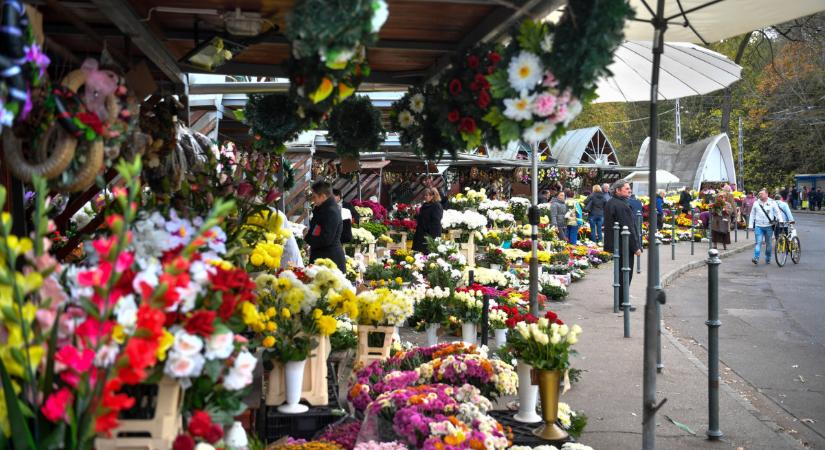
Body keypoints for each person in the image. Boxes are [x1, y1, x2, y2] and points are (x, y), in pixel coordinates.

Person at [604, 180, 641, 310]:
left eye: (629, 189)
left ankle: (620, 302)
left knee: (620, 274)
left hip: (616, 244)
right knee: (625, 273)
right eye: (626, 189)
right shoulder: (621, 205)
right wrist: (636, 247)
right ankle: (622, 303)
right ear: (618, 190)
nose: (629, 191)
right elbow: (628, 228)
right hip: (623, 245)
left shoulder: (612, 202)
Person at [305, 181, 346, 271]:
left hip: (329, 261)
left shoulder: (330, 212)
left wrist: (307, 238)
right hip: (324, 258)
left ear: (323, 196)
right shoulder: (324, 209)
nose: (313, 199)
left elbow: (326, 239)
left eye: (314, 196)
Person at [748, 189, 781, 265]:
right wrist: (750, 225)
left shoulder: (772, 202)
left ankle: (768, 258)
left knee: (768, 244)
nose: (760, 195)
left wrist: (780, 221)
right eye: (759, 194)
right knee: (758, 242)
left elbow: (777, 212)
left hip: (769, 226)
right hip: (758, 226)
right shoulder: (756, 203)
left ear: (767, 194)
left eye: (762, 194)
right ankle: (756, 257)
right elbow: (752, 214)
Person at [412, 187, 443, 253]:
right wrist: (415, 215)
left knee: (429, 253)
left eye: (427, 195)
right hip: (421, 233)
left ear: (432, 196)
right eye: (424, 195)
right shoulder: (425, 205)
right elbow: (422, 217)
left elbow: (436, 221)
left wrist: (429, 233)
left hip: (431, 234)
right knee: (419, 253)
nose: (425, 197)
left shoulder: (437, 206)